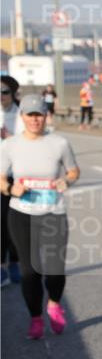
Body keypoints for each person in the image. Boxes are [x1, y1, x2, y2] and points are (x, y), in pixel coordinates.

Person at [0, 95, 80, 339]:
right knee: (30, 272)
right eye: (30, 114)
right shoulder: (10, 145)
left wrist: (65, 181)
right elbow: (1, 178)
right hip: (21, 214)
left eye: (39, 114)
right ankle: (35, 318)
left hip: (53, 213)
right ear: (22, 116)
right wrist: (9, 188)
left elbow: (74, 171)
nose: (35, 119)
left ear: (46, 115)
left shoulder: (59, 143)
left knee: (55, 270)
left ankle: (54, 304)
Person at [1, 76, 23, 287]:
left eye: (5, 92)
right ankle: (1, 268)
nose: (1, 96)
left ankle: (15, 262)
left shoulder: (23, 116)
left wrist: (9, 139)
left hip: (16, 176)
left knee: (14, 223)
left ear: (13, 93)